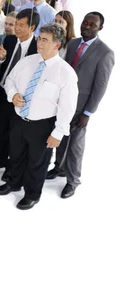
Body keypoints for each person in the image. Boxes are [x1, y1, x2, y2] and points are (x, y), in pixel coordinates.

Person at [0, 23, 78, 210]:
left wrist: (58, 133)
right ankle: (14, 182)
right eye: (40, 38)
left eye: (45, 40)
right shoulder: (27, 61)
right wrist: (13, 94)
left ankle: (32, 194)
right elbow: (10, 81)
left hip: (43, 125)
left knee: (37, 162)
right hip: (19, 119)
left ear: (57, 44)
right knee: (15, 155)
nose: (40, 42)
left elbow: (68, 106)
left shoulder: (65, 73)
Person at [46, 12, 115, 198]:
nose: (87, 26)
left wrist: (88, 112)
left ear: (100, 28)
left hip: (81, 106)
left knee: (75, 146)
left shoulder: (105, 53)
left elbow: (100, 86)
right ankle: (58, 168)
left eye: (92, 25)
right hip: (63, 101)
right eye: (85, 22)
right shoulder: (74, 43)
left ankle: (73, 180)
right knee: (60, 135)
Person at [0, 9, 39, 176]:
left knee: (15, 134)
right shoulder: (9, 40)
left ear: (32, 27)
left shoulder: (38, 48)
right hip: (3, 91)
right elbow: (1, 64)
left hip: (21, 97)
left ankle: (11, 167)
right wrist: (1, 58)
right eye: (16, 24)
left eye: (22, 25)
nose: (17, 28)